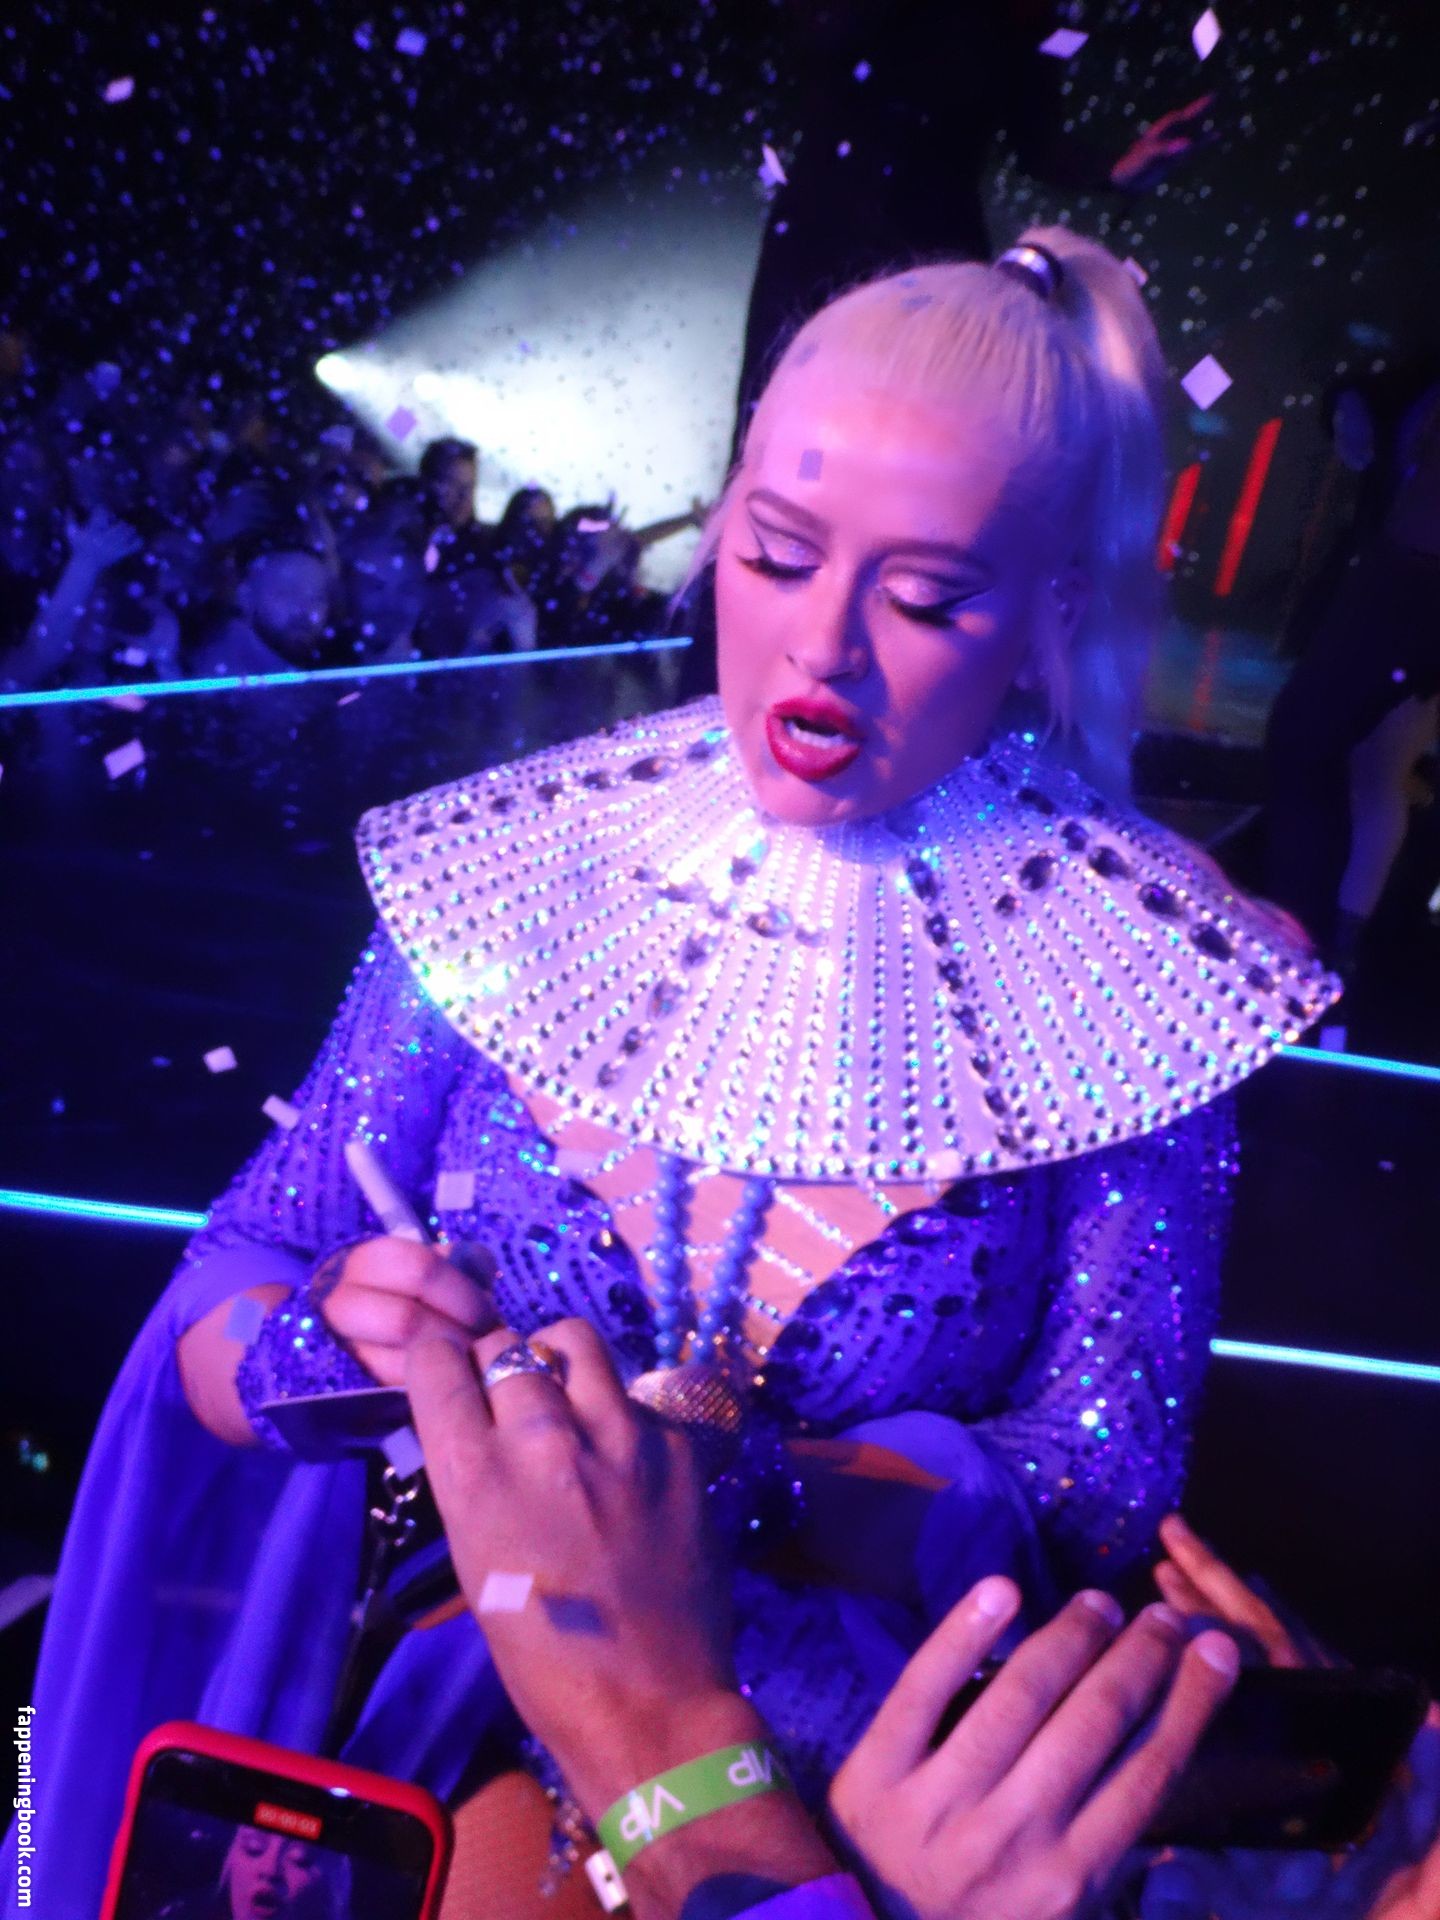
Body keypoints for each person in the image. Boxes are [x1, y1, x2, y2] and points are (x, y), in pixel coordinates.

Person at [4, 225, 1340, 1919]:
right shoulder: (515, 873)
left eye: (926, 597)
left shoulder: (1143, 981)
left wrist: (750, 1492)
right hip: (437, 1739)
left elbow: (1103, 1472)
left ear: (1049, 611)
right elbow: (245, 1263)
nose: (823, 645)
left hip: (847, 1812)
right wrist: (325, 1353)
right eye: (777, 556)